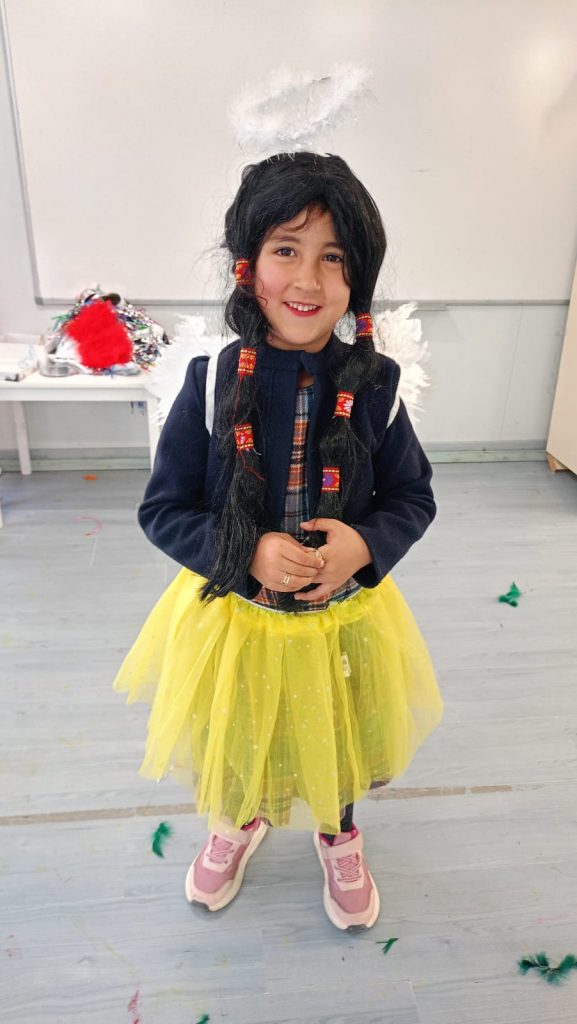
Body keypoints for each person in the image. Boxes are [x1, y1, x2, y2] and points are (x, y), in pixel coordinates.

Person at [113, 151, 443, 931]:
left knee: (337, 737)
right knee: (237, 738)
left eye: (333, 257)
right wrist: (246, 551)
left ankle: (338, 833)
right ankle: (236, 822)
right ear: (246, 265)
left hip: (341, 623)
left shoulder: (377, 386)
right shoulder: (208, 382)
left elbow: (412, 497)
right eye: (286, 249)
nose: (307, 279)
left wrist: (362, 545)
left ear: (356, 279)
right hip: (237, 618)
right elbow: (164, 510)